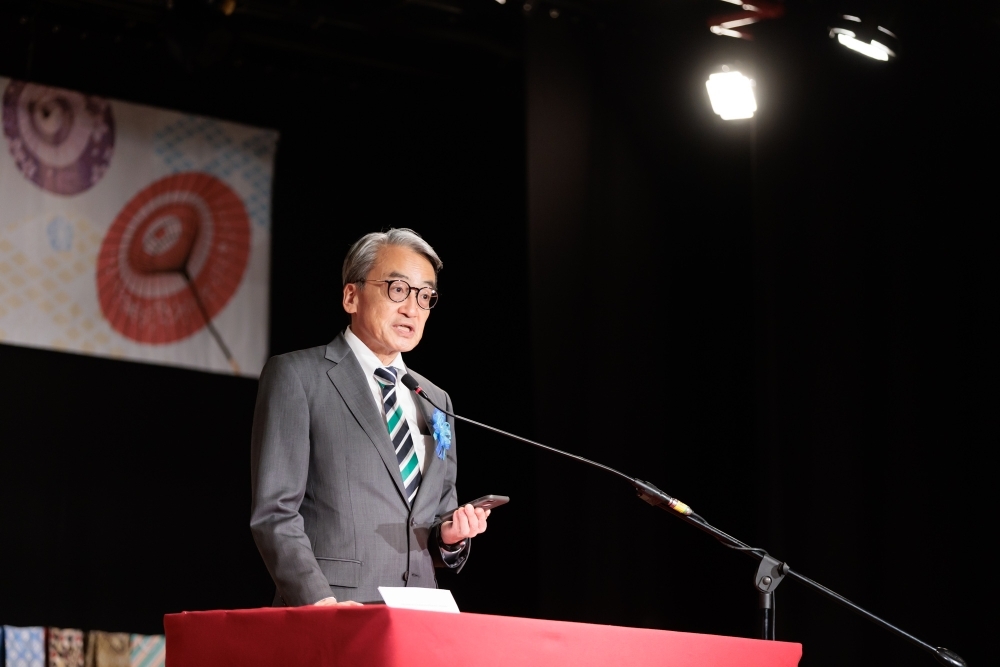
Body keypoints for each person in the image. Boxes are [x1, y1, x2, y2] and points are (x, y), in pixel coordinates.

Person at [250, 228, 489, 606]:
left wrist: (451, 536)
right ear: (351, 296)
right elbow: (275, 513)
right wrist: (319, 603)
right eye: (398, 289)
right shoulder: (298, 376)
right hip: (334, 610)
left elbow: (438, 510)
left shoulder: (435, 399)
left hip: (420, 614)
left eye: (425, 296)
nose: (412, 308)